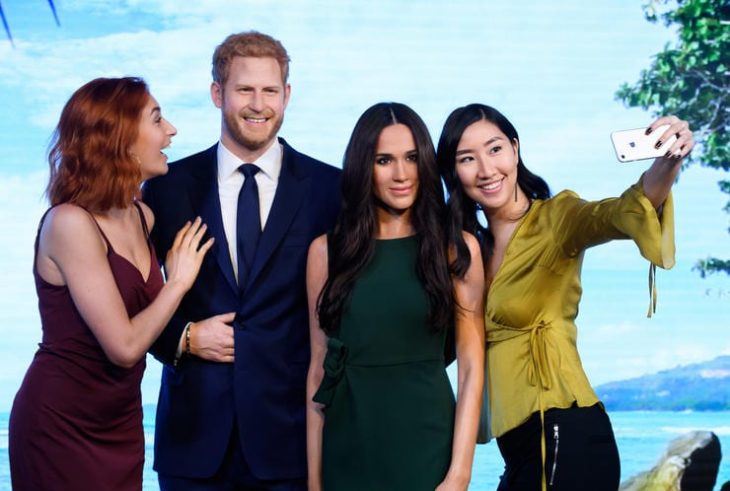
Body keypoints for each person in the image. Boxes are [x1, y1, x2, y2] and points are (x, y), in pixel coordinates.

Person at [436, 103, 694, 491]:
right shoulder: (470, 251)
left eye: (495, 149)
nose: (486, 169)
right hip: (520, 450)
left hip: (564, 431)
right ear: (453, 171)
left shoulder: (557, 218)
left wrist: (668, 162)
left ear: (515, 149)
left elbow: (620, 211)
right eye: (467, 158)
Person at [142, 31, 341, 490]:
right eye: (244, 89)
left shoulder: (330, 189)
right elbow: (131, 298)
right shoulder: (168, 187)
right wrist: (184, 338)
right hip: (193, 443)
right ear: (217, 94)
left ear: (287, 95)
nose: (258, 104)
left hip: (291, 443)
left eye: (270, 90)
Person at [8, 76, 212, 491]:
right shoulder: (69, 223)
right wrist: (177, 282)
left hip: (121, 422)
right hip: (60, 424)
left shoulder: (143, 216)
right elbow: (124, 347)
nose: (171, 130)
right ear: (120, 137)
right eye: (157, 119)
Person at [306, 102, 485, 491]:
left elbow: (471, 368)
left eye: (412, 158)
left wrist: (460, 474)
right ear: (363, 167)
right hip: (347, 450)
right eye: (384, 160)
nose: (401, 174)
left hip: (428, 448)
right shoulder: (326, 252)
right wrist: (315, 483)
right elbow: (318, 371)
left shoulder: (456, 249)